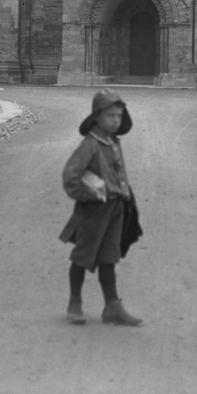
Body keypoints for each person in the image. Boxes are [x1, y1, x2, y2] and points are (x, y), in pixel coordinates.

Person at [59, 88, 143, 326]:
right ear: (96, 117)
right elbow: (70, 175)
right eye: (110, 116)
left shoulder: (113, 142)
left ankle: (112, 307)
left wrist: (123, 193)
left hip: (116, 208)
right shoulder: (90, 144)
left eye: (119, 115)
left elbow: (116, 173)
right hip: (95, 210)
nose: (116, 120)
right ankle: (74, 302)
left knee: (109, 256)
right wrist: (86, 196)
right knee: (83, 256)